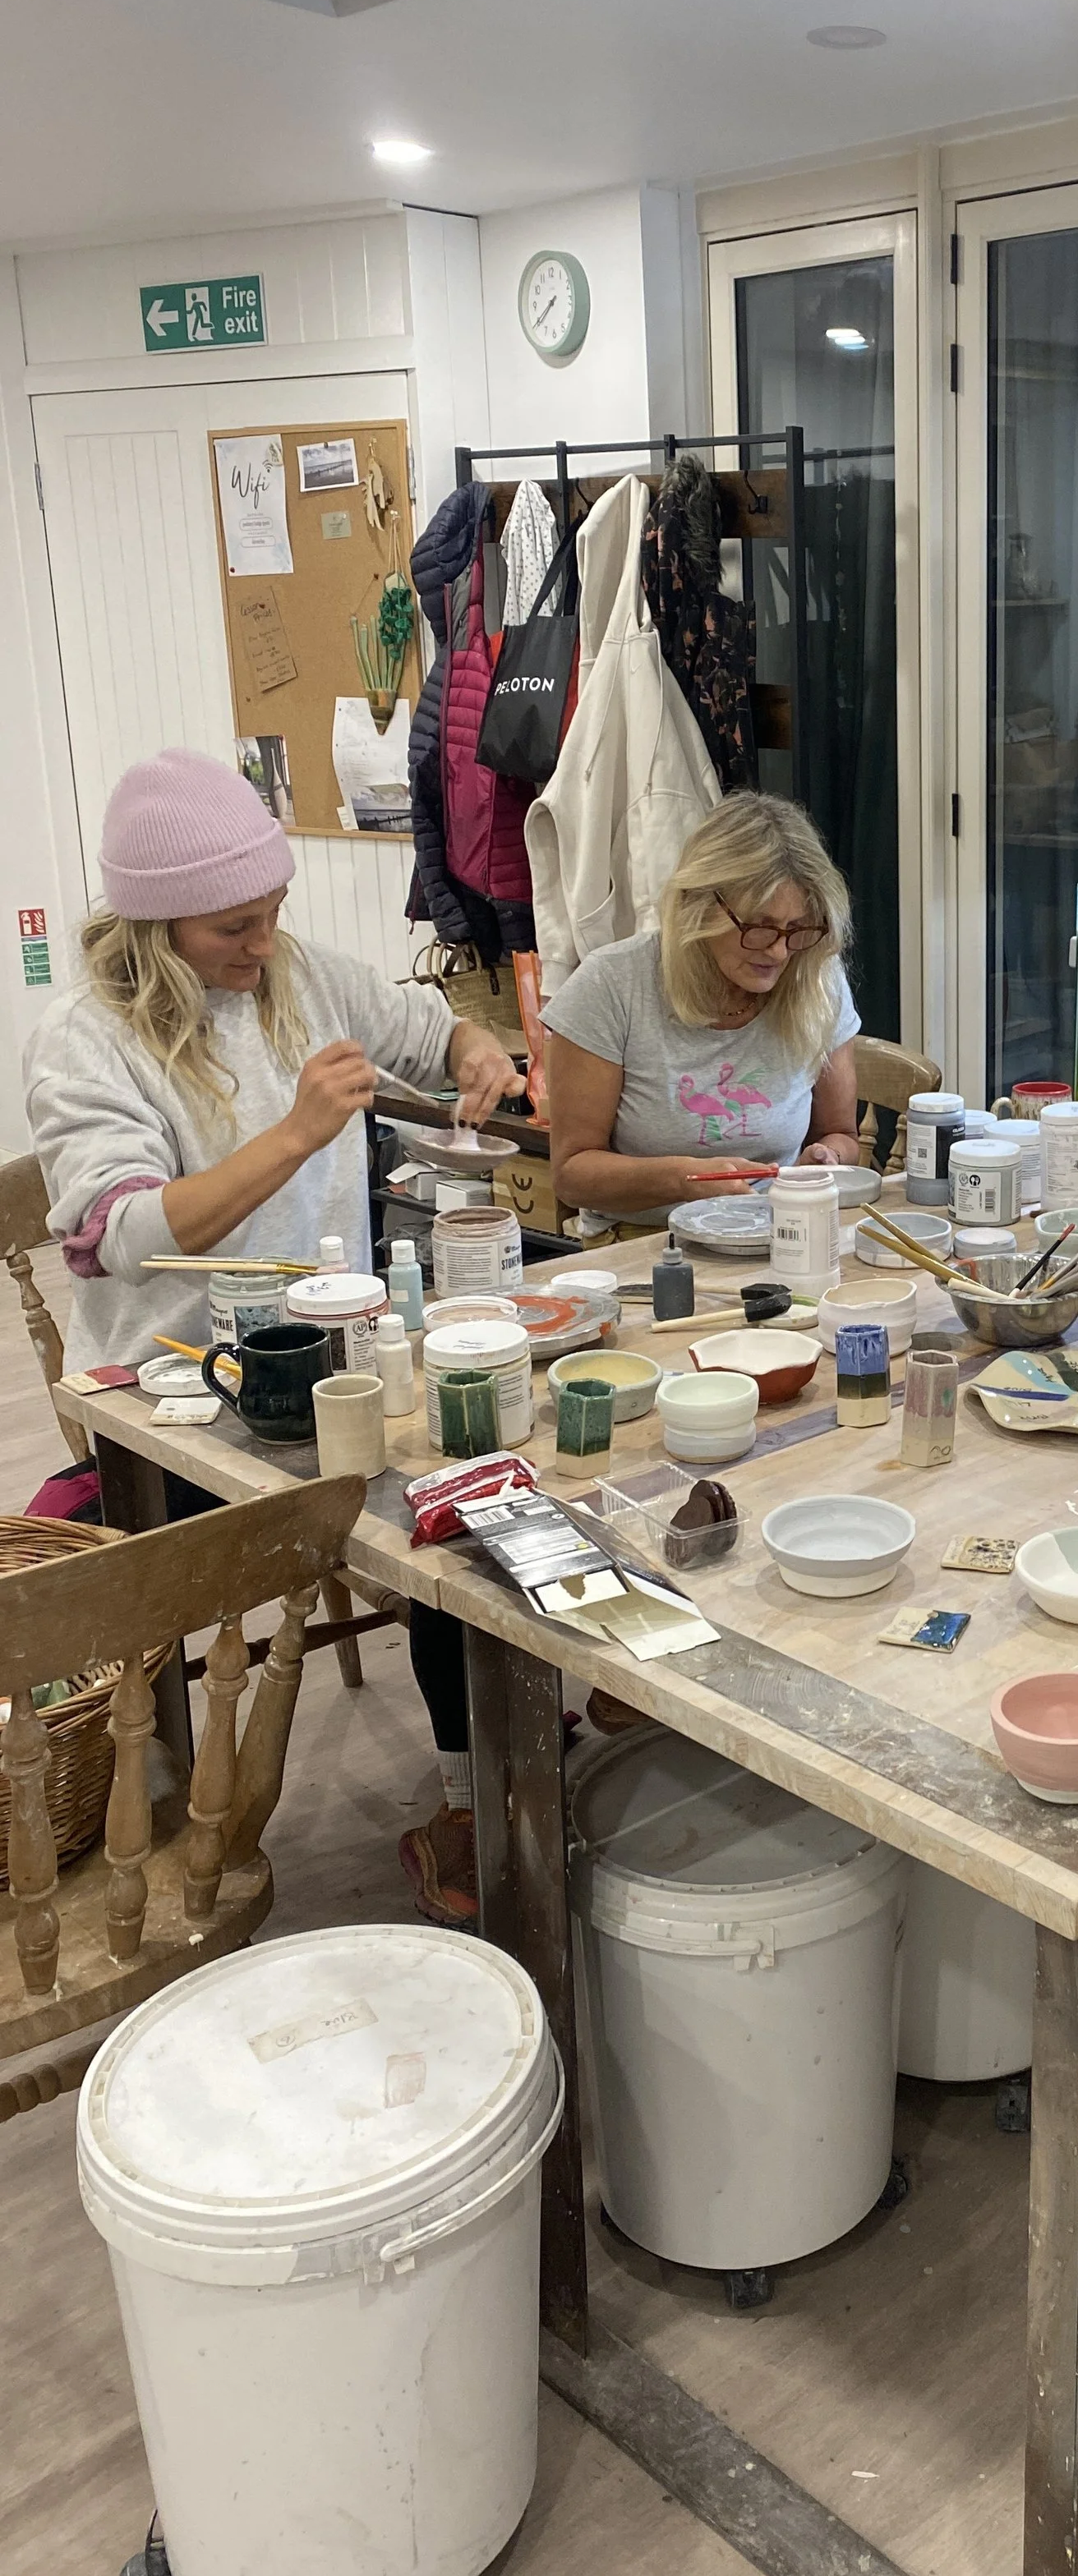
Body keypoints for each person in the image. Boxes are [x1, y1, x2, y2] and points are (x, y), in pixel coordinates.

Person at [25, 748, 522, 1928]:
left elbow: (424, 1023)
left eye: (274, 914)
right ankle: (141, 1802)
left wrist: (474, 1052)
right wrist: (299, 1132)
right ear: (152, 925)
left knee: (468, 1492)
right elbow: (127, 1235)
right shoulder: (86, 1034)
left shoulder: (291, 973)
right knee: (420, 1505)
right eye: (233, 926)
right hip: (180, 1397)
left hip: (336, 1360)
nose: (262, 944)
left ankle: (474, 1788)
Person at [543, 790, 861, 1225]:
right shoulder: (611, 985)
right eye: (759, 927)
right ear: (698, 905)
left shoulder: (814, 976)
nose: (780, 952)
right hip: (645, 1243)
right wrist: (684, 1179)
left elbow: (840, 1134)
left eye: (798, 929)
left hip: (780, 1231)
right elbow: (572, 1174)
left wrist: (829, 1157)